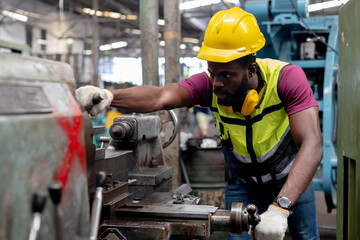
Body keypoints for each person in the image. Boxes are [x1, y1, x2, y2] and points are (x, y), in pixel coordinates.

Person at [75, 7, 322, 240]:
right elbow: (161, 96)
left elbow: (312, 144)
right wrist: (110, 97)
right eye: (213, 73)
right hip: (244, 183)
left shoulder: (287, 79)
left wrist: (281, 207)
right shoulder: (209, 86)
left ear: (250, 70)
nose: (216, 83)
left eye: (226, 75)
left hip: (290, 178)